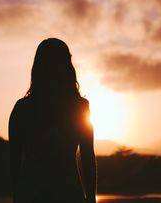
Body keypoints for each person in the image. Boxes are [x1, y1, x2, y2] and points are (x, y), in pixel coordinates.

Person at [9, 38, 97, 203]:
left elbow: (14, 163)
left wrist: (17, 196)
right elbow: (88, 159)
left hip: (36, 194)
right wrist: (91, 198)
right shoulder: (79, 108)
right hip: (65, 193)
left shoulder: (22, 109)